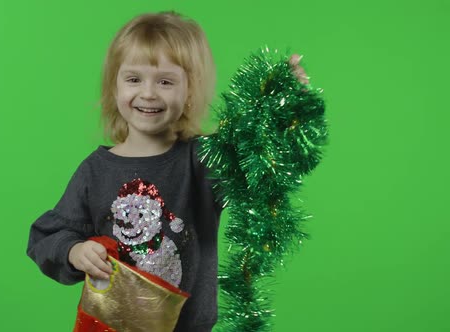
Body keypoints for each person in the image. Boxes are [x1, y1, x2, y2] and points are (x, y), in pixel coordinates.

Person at [26, 11, 308, 332]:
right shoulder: (95, 171)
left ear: (189, 91)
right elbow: (46, 235)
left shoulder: (203, 159)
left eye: (165, 81)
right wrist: (74, 251)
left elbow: (258, 157)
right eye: (134, 79)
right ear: (114, 86)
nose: (148, 93)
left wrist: (282, 104)